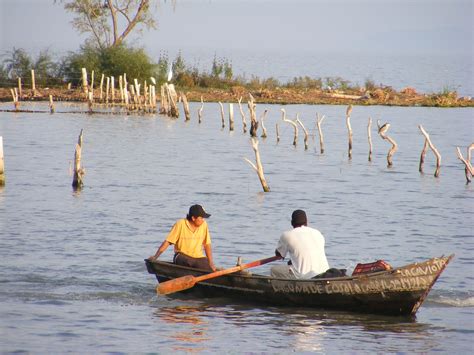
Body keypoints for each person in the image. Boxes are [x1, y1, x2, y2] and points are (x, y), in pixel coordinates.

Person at [148, 204, 216, 271]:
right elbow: (168, 242)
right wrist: (155, 256)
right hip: (181, 256)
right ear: (193, 218)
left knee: (206, 267)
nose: (203, 220)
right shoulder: (180, 224)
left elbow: (207, 244)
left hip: (198, 257)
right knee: (191, 262)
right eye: (201, 218)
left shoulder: (204, 225)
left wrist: (211, 262)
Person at [270, 209, 329, 279]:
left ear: (292, 223)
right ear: (307, 222)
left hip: (304, 276)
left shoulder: (287, 235)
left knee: (273, 270)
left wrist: (280, 252)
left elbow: (279, 254)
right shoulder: (318, 233)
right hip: (325, 273)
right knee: (292, 265)